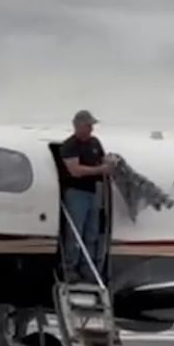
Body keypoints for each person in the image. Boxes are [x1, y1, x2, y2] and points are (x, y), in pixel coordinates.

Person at [59, 110, 115, 280]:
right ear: (78, 126)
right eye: (88, 125)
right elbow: (75, 170)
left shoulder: (95, 143)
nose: (91, 129)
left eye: (91, 126)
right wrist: (100, 170)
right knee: (76, 231)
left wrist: (108, 162)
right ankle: (70, 267)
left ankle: (87, 266)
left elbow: (101, 159)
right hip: (76, 193)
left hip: (93, 192)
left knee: (91, 231)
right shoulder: (69, 146)